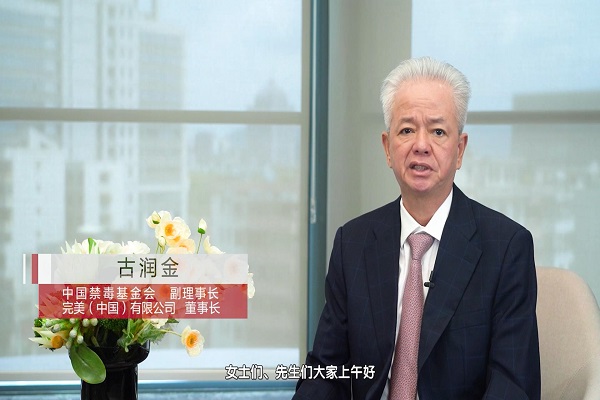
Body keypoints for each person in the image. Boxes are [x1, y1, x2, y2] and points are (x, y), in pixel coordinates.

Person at [294, 57, 540, 399]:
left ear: (459, 150)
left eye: (438, 131)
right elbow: (325, 371)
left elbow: (512, 386)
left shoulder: (506, 247)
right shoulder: (353, 243)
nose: (421, 145)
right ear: (387, 148)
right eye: (407, 130)